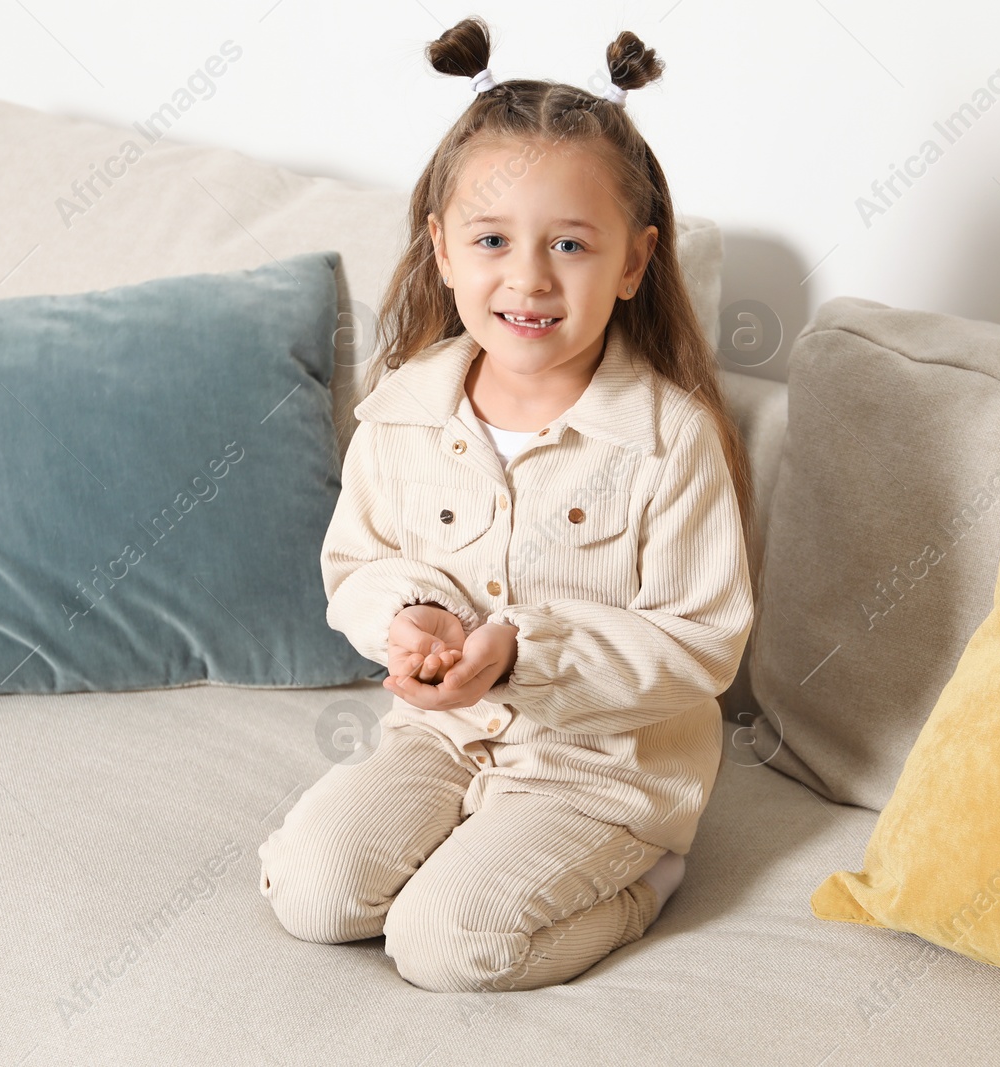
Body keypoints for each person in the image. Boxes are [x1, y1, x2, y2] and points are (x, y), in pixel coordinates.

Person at [258, 15, 756, 994]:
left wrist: (525, 652)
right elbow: (353, 568)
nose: (527, 277)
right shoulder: (402, 410)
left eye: (570, 243)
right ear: (443, 249)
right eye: (492, 239)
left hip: (598, 766)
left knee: (446, 945)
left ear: (632, 262)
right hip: (439, 736)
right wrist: (410, 619)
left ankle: (643, 877)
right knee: (313, 898)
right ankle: (434, 844)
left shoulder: (669, 440)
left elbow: (701, 641)